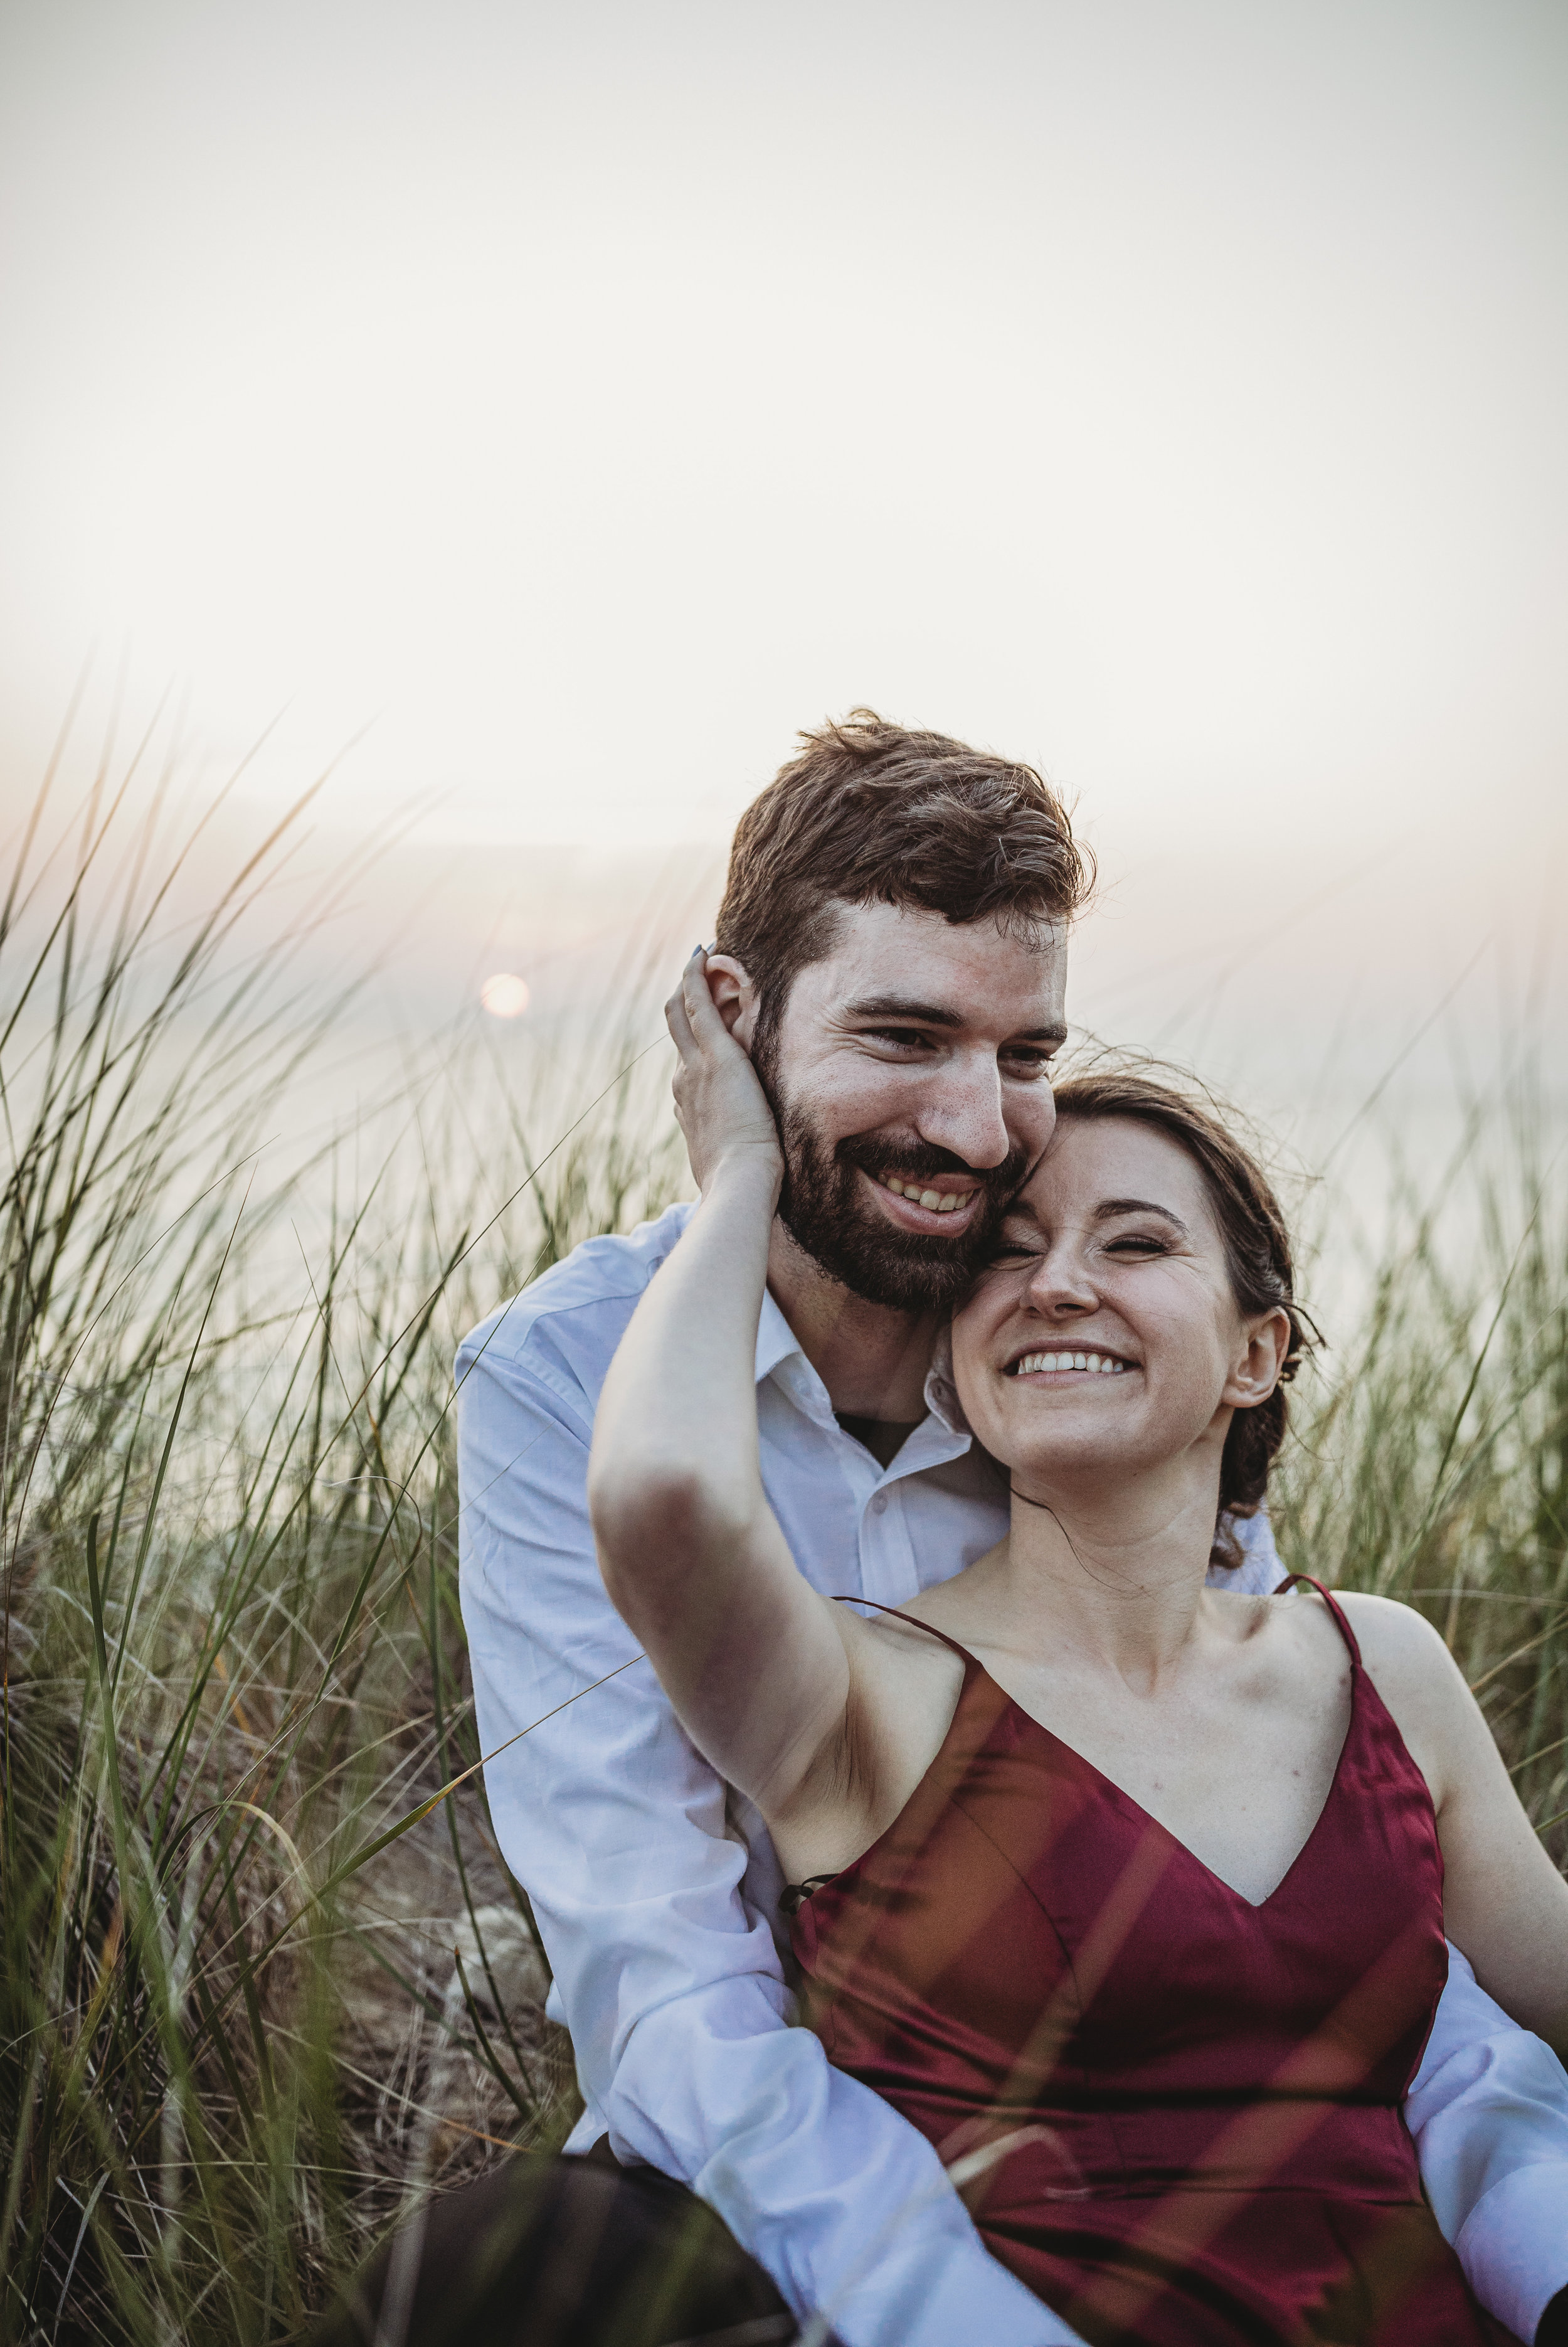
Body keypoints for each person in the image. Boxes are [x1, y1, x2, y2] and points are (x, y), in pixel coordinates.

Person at [405, 717, 1568, 2347]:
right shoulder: (574, 1377)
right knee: (509, 2274)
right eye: (903, 1037)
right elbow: (664, 1978)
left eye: (1022, 1056)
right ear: (734, 1022)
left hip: (1152, 2114)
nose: (971, 1130)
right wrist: (938, 2289)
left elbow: (1345, 1921)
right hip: (800, 2146)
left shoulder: (1062, 1347)